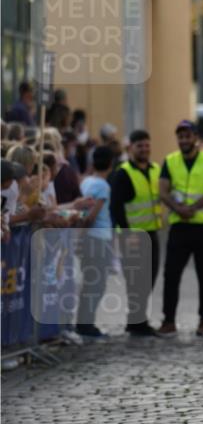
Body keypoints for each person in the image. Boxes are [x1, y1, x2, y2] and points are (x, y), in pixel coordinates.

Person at [158, 120, 203, 338]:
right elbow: (163, 191)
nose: (184, 140)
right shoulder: (170, 161)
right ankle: (168, 321)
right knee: (171, 274)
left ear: (195, 137)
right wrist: (178, 209)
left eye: (187, 136)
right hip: (180, 226)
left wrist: (193, 208)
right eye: (180, 136)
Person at [110, 129, 162, 337]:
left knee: (150, 276)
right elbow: (116, 207)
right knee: (135, 279)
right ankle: (137, 320)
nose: (144, 149)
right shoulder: (122, 173)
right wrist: (126, 233)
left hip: (152, 232)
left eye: (147, 145)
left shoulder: (156, 169)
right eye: (140, 145)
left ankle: (137, 318)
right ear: (131, 148)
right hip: (132, 235)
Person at [76, 145, 115, 340]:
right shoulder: (103, 186)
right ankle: (86, 323)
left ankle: (84, 321)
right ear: (111, 164)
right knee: (96, 284)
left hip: (91, 238)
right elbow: (92, 215)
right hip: (99, 238)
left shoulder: (86, 182)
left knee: (89, 282)